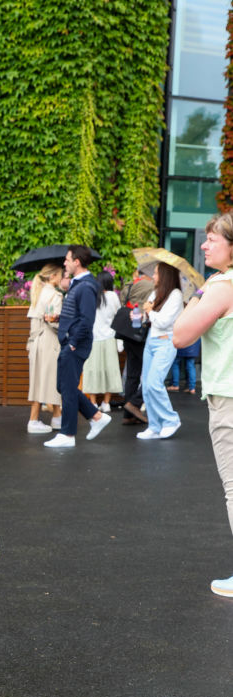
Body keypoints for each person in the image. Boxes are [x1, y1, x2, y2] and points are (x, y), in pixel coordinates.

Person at [173, 212, 233, 596]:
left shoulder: (222, 285)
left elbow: (181, 334)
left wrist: (199, 293)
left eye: (212, 239)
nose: (204, 245)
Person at [44, 246, 111, 448]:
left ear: (77, 262)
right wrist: (60, 317)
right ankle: (96, 416)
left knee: (67, 388)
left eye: (67, 259)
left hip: (75, 344)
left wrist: (73, 343)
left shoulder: (86, 286)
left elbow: (87, 319)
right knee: (64, 386)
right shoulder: (80, 285)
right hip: (71, 342)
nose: (64, 263)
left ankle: (68, 434)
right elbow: (78, 315)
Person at [136, 262, 183, 441]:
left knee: (155, 383)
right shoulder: (156, 293)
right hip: (151, 341)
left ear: (165, 276)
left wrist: (150, 312)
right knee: (146, 385)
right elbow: (150, 317)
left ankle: (171, 420)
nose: (153, 277)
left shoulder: (175, 295)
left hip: (165, 343)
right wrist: (145, 312)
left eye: (156, 273)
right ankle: (154, 426)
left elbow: (163, 322)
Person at [25, 262, 63, 433]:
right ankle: (35, 419)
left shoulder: (37, 294)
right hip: (49, 341)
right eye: (60, 274)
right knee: (51, 379)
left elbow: (34, 323)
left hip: (36, 342)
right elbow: (55, 323)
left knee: (40, 379)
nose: (62, 277)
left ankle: (57, 416)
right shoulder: (55, 296)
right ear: (53, 276)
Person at [83, 270, 122, 411]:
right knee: (110, 371)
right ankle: (106, 403)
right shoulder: (113, 297)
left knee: (92, 371)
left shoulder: (91, 296)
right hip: (109, 338)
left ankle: (93, 403)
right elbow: (118, 316)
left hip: (93, 339)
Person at [119, 269, 154, 424]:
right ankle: (134, 403)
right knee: (151, 369)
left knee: (132, 373)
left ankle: (128, 415)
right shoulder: (150, 285)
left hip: (127, 329)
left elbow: (122, 301)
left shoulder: (129, 284)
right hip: (140, 329)